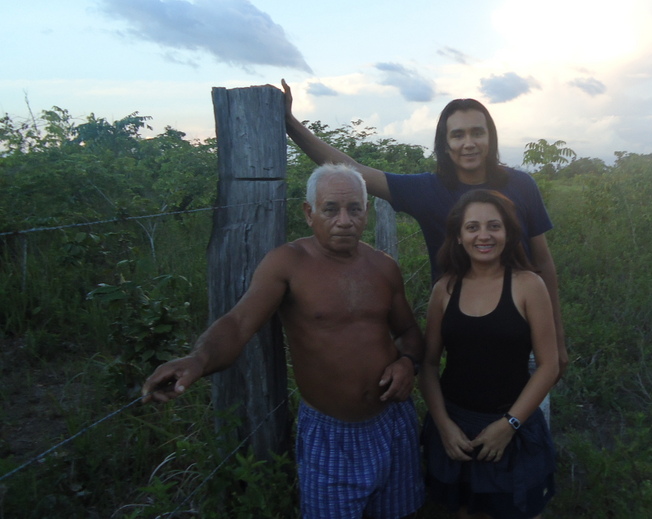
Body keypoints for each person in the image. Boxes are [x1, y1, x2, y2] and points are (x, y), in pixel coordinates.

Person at [142, 164, 426, 519]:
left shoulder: (383, 267)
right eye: (330, 209)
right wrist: (198, 360)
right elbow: (239, 321)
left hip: (392, 421)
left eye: (354, 209)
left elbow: (409, 333)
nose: (344, 220)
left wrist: (407, 363)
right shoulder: (289, 264)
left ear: (366, 212)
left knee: (399, 512)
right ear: (309, 213)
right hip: (331, 433)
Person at [281, 79, 568, 379]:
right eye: (457, 135)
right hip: (463, 331)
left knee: (526, 407)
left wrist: (557, 338)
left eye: (477, 132)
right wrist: (292, 125)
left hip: (523, 325)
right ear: (445, 144)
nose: (468, 143)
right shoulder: (427, 190)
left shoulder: (522, 186)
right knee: (466, 399)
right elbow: (356, 172)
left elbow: (543, 262)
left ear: (490, 138)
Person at [418, 189, 559, 519]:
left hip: (513, 426)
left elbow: (548, 366)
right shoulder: (445, 289)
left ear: (508, 233)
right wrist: (443, 425)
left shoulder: (528, 285)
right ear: (457, 235)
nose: (484, 235)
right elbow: (427, 364)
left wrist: (509, 424)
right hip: (456, 430)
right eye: (472, 227)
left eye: (494, 226)